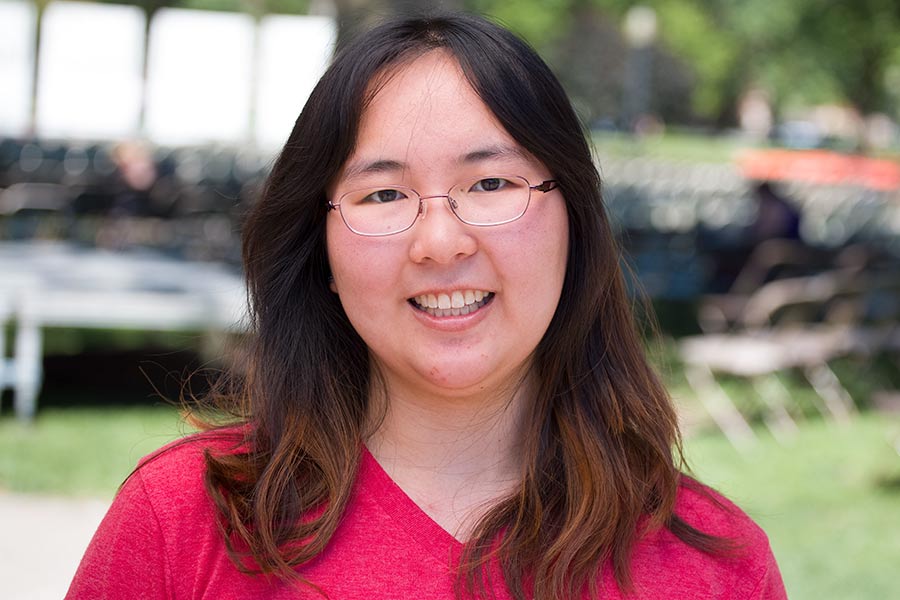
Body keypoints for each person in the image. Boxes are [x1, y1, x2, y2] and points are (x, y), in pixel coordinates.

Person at [66, 13, 786, 600]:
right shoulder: (181, 519)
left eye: (491, 184)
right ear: (320, 252)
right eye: (383, 195)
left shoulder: (718, 568)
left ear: (575, 223)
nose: (440, 242)